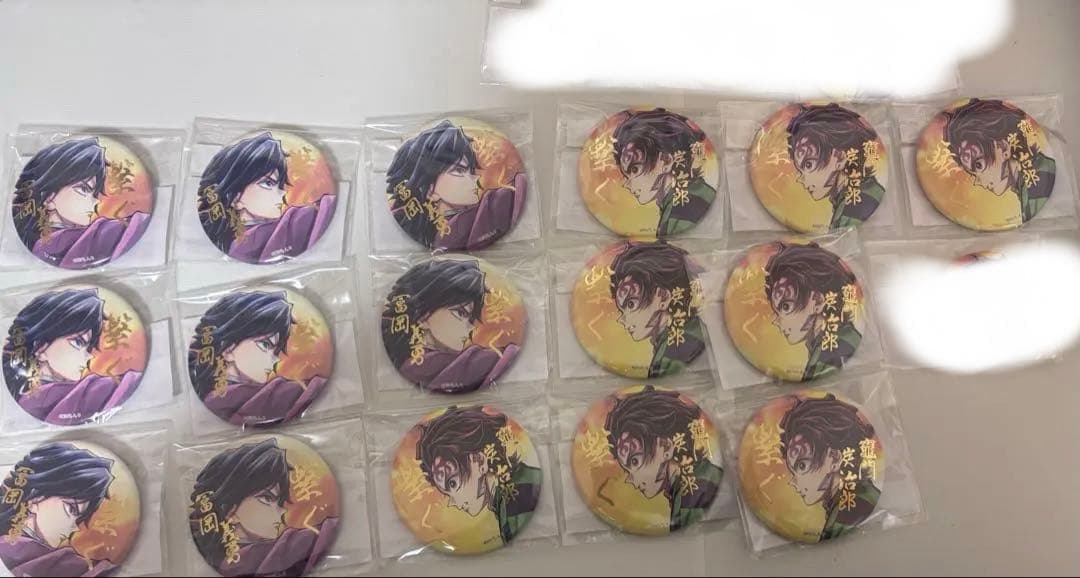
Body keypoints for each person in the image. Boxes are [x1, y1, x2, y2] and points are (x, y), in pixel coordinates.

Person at [189, 439, 338, 576]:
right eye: (267, 498)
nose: (283, 510)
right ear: (231, 511)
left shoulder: (272, 553)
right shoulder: (271, 553)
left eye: (280, 501)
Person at [2, 288, 141, 426]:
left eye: (88, 347)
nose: (89, 356)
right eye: (78, 342)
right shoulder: (81, 393)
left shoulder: (28, 399)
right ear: (41, 348)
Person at [188, 291, 328, 427]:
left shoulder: (273, 394)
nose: (275, 360)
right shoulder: (275, 396)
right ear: (228, 349)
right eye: (265, 345)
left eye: (276, 351)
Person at [382, 260, 520, 393]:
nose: (472, 328)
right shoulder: (475, 364)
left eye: (471, 319)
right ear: (423, 316)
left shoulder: (468, 363)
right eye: (461, 313)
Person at [197, 132, 335, 264]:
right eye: (268, 183)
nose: (282, 193)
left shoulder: (292, 222)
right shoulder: (247, 243)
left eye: (280, 185)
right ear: (235, 199)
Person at [12, 137, 149, 269]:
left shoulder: (79, 237)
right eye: (84, 189)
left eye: (95, 193)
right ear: (49, 198)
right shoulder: (57, 243)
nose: (96, 201)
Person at [387, 120, 526, 250]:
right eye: (459, 171)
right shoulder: (439, 229)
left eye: (471, 170)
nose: (476, 177)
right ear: (430, 190)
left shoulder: (489, 207)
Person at [415, 406, 541, 545]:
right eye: (447, 493)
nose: (453, 503)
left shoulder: (519, 498)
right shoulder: (506, 500)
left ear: (479, 461)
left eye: (452, 483)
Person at [605, 386, 722, 532]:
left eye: (635, 461)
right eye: (627, 470)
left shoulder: (696, 492)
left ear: (666, 447)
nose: (630, 480)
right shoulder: (687, 488)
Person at [0, 442, 119, 576]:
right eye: (72, 509)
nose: (75, 528)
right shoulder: (60, 563)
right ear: (35, 499)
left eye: (79, 518)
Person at [778, 394, 880, 541]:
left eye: (802, 465)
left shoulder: (850, 512)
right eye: (793, 471)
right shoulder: (856, 499)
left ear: (834, 458)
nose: (792, 482)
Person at [943, 98, 1056, 222]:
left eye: (979, 165)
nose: (977, 182)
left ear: (1003, 148)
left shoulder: (1039, 181)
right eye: (972, 173)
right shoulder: (1029, 182)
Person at [764, 242, 862, 381]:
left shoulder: (833, 351)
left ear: (817, 301)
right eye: (777, 311)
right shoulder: (832, 344)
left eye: (786, 306)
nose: (776, 321)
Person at [611, 109, 716, 236]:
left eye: (635, 169)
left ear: (666, 161)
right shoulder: (692, 195)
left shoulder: (683, 210)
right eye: (626, 175)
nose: (626, 184)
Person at [609, 241, 704, 377]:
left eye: (631, 304)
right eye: (621, 310)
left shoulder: (673, 352)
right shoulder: (689, 333)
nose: (621, 319)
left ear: (663, 297)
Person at [786, 104, 884, 230]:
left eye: (809, 164)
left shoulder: (855, 207)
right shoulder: (858, 195)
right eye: (800, 170)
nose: (800, 179)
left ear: (840, 157)